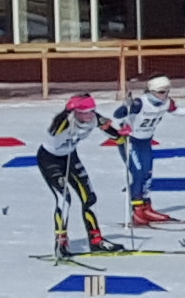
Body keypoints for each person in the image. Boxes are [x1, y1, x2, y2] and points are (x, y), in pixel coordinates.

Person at [32, 90, 121, 258]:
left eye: (91, 111)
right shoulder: (65, 121)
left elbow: (112, 132)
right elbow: (55, 130)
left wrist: (122, 136)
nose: (90, 116)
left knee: (89, 198)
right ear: (76, 112)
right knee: (64, 199)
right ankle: (61, 242)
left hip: (70, 157)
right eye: (85, 113)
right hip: (50, 160)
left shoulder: (93, 117)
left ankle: (96, 240)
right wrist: (69, 118)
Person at [110, 78, 185, 229]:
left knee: (148, 173)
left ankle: (147, 207)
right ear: (152, 92)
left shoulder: (167, 102)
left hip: (145, 141)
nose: (165, 95)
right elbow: (117, 116)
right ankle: (137, 210)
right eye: (161, 92)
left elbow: (175, 111)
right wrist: (125, 107)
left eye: (167, 91)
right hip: (130, 141)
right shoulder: (140, 103)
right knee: (138, 173)